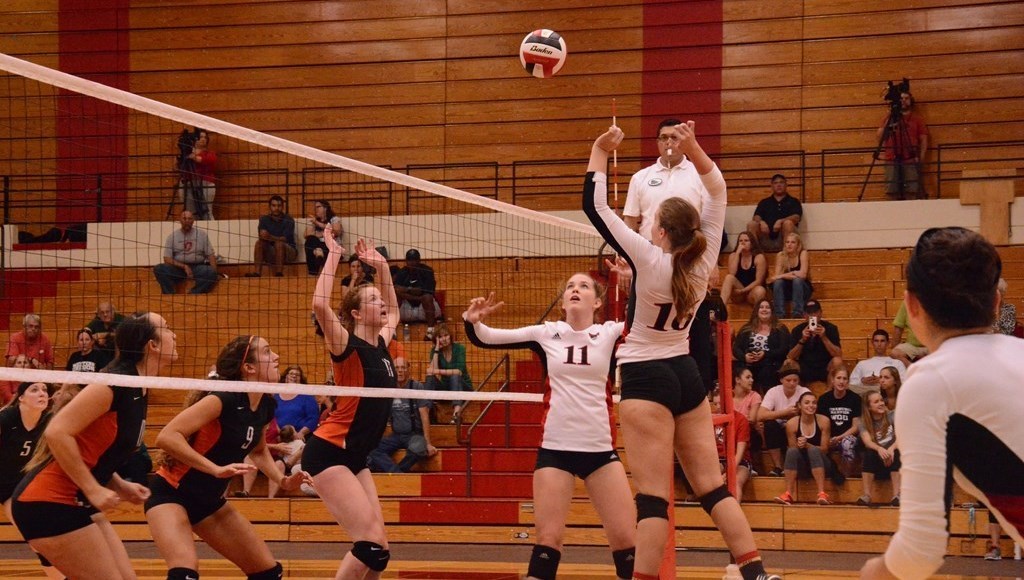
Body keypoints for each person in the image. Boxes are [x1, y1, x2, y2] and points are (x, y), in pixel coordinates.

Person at [584, 123, 778, 580]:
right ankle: (755, 573)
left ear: (663, 230)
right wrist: (695, 148)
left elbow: (594, 207)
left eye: (653, 222)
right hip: (686, 373)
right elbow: (718, 189)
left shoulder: (648, 259)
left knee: (653, 499)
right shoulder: (705, 256)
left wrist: (597, 152)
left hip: (647, 377)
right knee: (713, 489)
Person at [861, 227, 1023, 579]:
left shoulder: (930, 381)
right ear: (996, 303)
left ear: (911, 305)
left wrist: (874, 573)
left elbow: (920, 553)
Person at [464, 273, 637, 580]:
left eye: (583, 286)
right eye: (570, 286)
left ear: (597, 302)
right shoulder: (547, 333)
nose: (575, 289)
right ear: (562, 303)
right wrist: (473, 322)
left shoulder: (609, 333)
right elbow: (488, 337)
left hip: (600, 451)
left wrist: (633, 285)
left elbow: (646, 322)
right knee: (548, 541)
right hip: (555, 451)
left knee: (627, 544)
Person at [11, 312, 176, 579]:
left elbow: (92, 453)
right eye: (167, 328)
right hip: (47, 501)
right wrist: (92, 488)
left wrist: (119, 485)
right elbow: (57, 432)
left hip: (76, 501)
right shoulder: (114, 383)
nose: (175, 334)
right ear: (152, 345)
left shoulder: (139, 386)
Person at [145, 335, 307, 580]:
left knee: (269, 573)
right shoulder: (223, 399)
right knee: (184, 573)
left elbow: (259, 449)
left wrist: (282, 480)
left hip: (209, 501)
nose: (276, 357)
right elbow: (167, 437)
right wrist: (214, 469)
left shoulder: (265, 404)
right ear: (248, 368)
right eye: (267, 352)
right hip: (171, 492)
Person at [306, 231, 399, 578]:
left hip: (356, 456)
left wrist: (384, 270)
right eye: (373, 299)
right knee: (369, 544)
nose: (382, 303)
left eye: (380, 298)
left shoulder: (381, 346)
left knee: (381, 552)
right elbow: (319, 305)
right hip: (329, 451)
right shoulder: (346, 345)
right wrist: (333, 254)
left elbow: (395, 315)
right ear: (357, 313)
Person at [0, 382, 59, 579]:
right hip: (4, 484)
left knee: (40, 542)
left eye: (44, 390)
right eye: (34, 390)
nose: (42, 393)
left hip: (21, 488)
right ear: (21, 397)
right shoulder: (6, 418)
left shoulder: (50, 421)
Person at [623, 117, 708, 240]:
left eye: (674, 137)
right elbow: (630, 221)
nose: (669, 142)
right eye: (664, 138)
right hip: (649, 251)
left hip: (688, 250)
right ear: (658, 142)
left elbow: (708, 220)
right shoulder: (639, 178)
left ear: (683, 141)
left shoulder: (700, 174)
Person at [367, 356, 437, 474]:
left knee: (418, 449)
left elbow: (425, 415)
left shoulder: (416, 387)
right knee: (371, 448)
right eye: (397, 368)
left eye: (403, 367)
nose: (400, 370)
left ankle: (395, 472)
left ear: (408, 370)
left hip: (413, 435)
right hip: (396, 435)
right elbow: (381, 415)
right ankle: (397, 473)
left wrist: (428, 443)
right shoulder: (389, 388)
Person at [774, 392, 833, 506]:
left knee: (813, 450)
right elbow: (793, 450)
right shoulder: (792, 423)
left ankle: (821, 493)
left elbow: (825, 449)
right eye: (807, 403)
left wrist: (808, 445)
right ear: (799, 406)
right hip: (802, 466)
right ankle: (788, 493)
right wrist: (800, 445)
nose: (811, 405)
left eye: (814, 403)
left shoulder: (824, 421)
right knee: (791, 451)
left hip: (822, 464)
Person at [756, 361, 811, 477]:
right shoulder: (773, 391)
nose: (792, 384)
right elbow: (760, 415)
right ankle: (778, 466)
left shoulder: (804, 392)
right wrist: (783, 413)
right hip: (778, 430)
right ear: (781, 380)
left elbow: (811, 414)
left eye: (795, 380)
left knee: (794, 426)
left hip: (797, 429)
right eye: (788, 380)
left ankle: (792, 465)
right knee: (769, 425)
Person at [876, 91, 928, 199]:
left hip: (910, 158)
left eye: (906, 98)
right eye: (901, 99)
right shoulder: (888, 118)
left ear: (911, 100)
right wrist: (890, 119)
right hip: (891, 158)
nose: (903, 101)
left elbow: (923, 139)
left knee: (912, 190)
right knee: (891, 190)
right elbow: (880, 137)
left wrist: (922, 157)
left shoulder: (917, 119)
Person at [154, 210, 220, 295]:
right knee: (159, 269)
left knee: (211, 272)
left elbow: (211, 255)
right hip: (178, 269)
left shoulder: (201, 234)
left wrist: (214, 273)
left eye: (189, 219)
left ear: (193, 221)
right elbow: (167, 259)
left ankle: (193, 294)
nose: (187, 221)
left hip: (197, 267)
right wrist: (184, 266)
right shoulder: (172, 237)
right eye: (184, 218)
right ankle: (169, 295)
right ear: (180, 220)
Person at [732, 299, 790, 394]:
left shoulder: (781, 328)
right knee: (742, 372)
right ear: (756, 311)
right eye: (761, 307)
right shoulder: (746, 328)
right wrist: (744, 357)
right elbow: (736, 348)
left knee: (767, 372)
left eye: (767, 307)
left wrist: (765, 354)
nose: (764, 310)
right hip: (749, 364)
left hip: (771, 364)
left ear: (772, 311)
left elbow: (784, 349)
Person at [856, 390, 900, 507]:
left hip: (893, 462)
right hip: (877, 464)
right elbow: (867, 442)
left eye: (881, 400)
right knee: (869, 453)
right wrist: (880, 449)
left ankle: (896, 495)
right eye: (876, 402)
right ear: (868, 407)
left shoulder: (892, 416)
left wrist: (891, 449)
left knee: (897, 451)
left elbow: (902, 437)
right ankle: (867, 495)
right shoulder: (863, 422)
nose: (881, 403)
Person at [816, 366, 861, 478]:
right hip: (828, 437)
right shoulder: (824, 399)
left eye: (844, 379)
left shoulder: (855, 399)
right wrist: (829, 439)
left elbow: (856, 427)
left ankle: (846, 477)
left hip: (847, 437)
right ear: (832, 380)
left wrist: (839, 438)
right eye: (838, 378)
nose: (841, 381)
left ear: (848, 381)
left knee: (847, 442)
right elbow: (821, 425)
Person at [786, 299, 843, 385]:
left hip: (825, 366)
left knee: (837, 361)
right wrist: (802, 340)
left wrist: (824, 337)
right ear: (804, 315)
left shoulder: (831, 328)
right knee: (789, 363)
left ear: (820, 313)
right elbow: (790, 356)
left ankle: (830, 393)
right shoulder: (797, 330)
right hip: (805, 366)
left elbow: (838, 354)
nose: (813, 315)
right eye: (809, 313)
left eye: (815, 312)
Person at [709, 389, 752, 503]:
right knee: (712, 477)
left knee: (735, 480)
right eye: (715, 403)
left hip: (739, 461)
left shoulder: (741, 420)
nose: (718, 407)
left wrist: (729, 472)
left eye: (720, 403)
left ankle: (735, 516)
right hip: (719, 459)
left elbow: (740, 452)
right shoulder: (712, 420)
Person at [426, 323, 473, 424]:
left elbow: (458, 371)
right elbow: (431, 371)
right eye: (440, 337)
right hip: (446, 387)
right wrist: (437, 349)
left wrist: (437, 371)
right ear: (436, 339)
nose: (444, 339)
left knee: (454, 376)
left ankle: (457, 414)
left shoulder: (460, 348)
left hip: (463, 388)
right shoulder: (435, 351)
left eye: (446, 335)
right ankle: (428, 412)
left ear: (450, 336)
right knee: (430, 379)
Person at [746, 174, 802, 252]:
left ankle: (786, 255)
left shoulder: (794, 201)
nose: (779, 185)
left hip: (785, 239)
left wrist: (781, 221)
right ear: (772, 186)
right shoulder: (764, 202)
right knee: (751, 224)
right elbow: (756, 217)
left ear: (786, 184)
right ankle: (755, 255)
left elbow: (796, 217)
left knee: (788, 223)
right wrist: (761, 222)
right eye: (776, 183)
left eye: (781, 182)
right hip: (766, 237)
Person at [393, 248, 441, 339]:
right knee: (395, 296)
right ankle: (393, 331)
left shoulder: (427, 271)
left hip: (425, 309)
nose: (412, 263)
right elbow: (397, 290)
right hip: (408, 309)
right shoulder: (402, 273)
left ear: (419, 260)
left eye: (415, 260)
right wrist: (413, 291)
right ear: (406, 261)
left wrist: (405, 291)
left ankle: (430, 331)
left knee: (427, 298)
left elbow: (429, 292)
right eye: (410, 260)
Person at [248, 195, 297, 277]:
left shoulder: (288, 219)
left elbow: (285, 239)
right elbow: (262, 237)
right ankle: (256, 273)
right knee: (259, 243)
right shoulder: (264, 219)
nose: (276, 208)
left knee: (279, 243)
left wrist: (269, 237)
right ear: (269, 207)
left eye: (279, 206)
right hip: (271, 251)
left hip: (289, 252)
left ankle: (279, 273)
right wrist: (266, 237)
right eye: (274, 206)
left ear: (283, 207)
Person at [767, 232, 811, 318]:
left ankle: (797, 313)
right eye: (787, 242)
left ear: (798, 245)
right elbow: (776, 277)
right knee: (778, 282)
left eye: (792, 242)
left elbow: (803, 274)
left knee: (797, 281)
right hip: (786, 289)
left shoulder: (803, 253)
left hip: (802, 288)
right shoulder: (781, 255)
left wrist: (784, 275)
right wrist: (792, 273)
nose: (789, 245)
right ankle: (779, 314)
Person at [848, 329, 906, 395]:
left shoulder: (897, 363)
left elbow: (904, 383)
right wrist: (862, 381)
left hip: (888, 395)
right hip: (866, 394)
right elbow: (852, 385)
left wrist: (882, 380)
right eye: (876, 341)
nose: (879, 344)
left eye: (882, 341)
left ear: (888, 343)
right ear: (872, 343)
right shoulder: (862, 364)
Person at [720, 231, 767, 306]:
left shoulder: (759, 257)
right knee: (729, 277)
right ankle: (721, 309)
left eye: (746, 240)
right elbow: (732, 273)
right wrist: (737, 253)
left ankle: (757, 315)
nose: (743, 243)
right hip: (738, 292)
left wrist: (743, 291)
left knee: (760, 290)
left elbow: (759, 281)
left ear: (752, 243)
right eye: (740, 241)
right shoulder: (733, 255)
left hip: (751, 291)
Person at [179, 128, 217, 219]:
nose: (203, 139)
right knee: (189, 211)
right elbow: (177, 167)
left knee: (206, 210)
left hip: (205, 183)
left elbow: (206, 160)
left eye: (205, 137)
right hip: (188, 183)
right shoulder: (187, 154)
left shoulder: (209, 154)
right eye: (200, 137)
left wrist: (193, 156)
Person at [274, 366, 320, 440]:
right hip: (279, 437)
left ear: (301, 379)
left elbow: (313, 418)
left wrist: (301, 433)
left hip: (300, 438)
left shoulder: (307, 396)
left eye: (297, 375)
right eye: (291, 373)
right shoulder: (276, 396)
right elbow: (271, 418)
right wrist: (279, 433)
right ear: (286, 378)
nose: (294, 376)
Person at [304, 200, 340, 276]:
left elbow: (336, 231)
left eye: (318, 207)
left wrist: (318, 225)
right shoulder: (314, 219)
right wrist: (324, 233)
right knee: (310, 240)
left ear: (325, 208)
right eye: (315, 207)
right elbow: (306, 234)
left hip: (330, 247)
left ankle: (313, 273)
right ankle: (318, 253)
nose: (316, 209)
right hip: (317, 247)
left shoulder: (334, 219)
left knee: (320, 246)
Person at [891, 301, 927, 367]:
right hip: (912, 346)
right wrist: (894, 348)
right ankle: (913, 369)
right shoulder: (907, 303)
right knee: (895, 353)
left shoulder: (936, 302)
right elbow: (898, 328)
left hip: (931, 346)